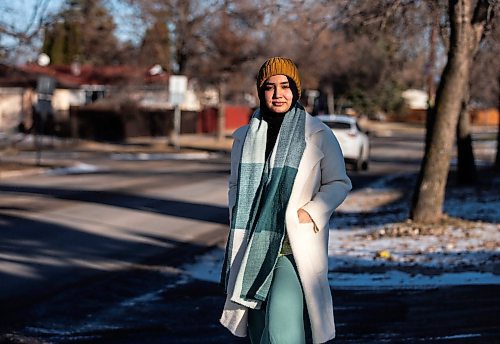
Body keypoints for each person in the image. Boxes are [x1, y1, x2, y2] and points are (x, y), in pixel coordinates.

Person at [220, 57, 352, 344]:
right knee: (259, 332)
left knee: (282, 332)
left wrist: (312, 211)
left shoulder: (316, 133)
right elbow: (235, 184)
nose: (278, 94)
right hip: (251, 247)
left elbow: (339, 182)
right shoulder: (244, 136)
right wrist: (237, 213)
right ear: (260, 91)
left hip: (292, 248)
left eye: (285, 86)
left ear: (296, 90)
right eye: (270, 87)